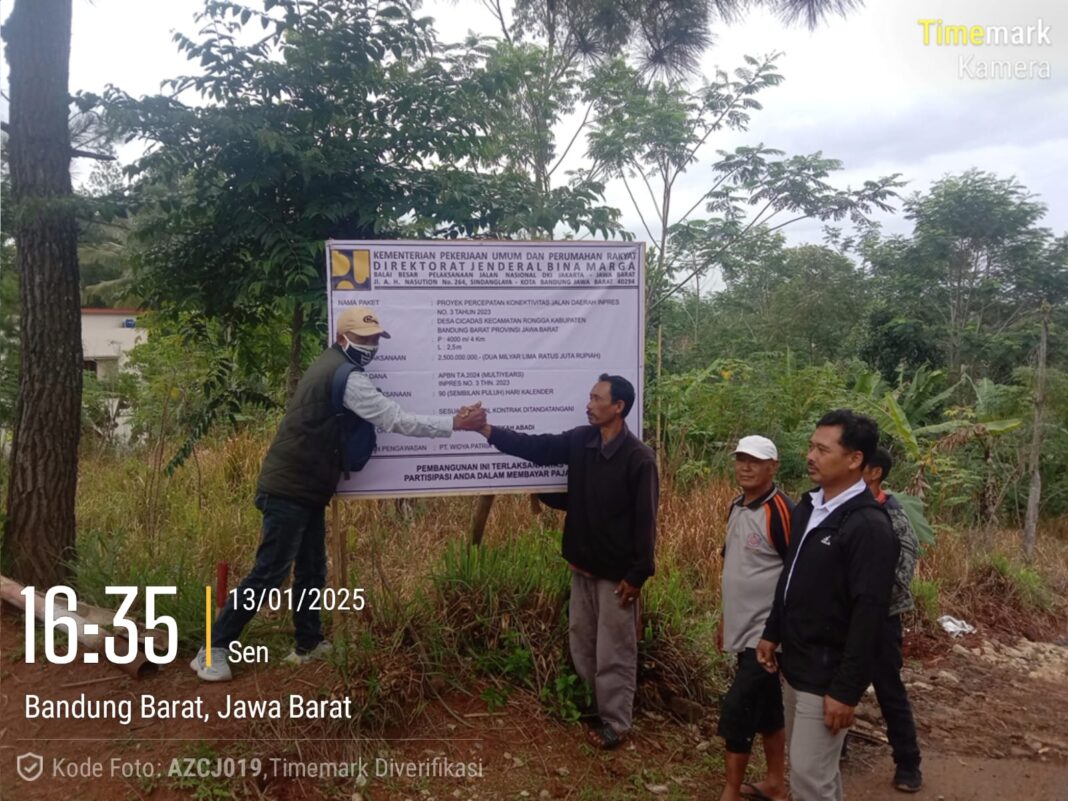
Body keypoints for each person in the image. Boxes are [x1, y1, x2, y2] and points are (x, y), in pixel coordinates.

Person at [191, 306, 487, 681]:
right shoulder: (347, 378)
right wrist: (455, 423)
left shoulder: (332, 366)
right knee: (269, 573)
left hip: (306, 487)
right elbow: (394, 418)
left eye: (376, 339)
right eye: (364, 339)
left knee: (312, 568)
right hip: (290, 487)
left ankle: (308, 643)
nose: (371, 346)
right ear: (343, 339)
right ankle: (212, 647)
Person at [477, 374, 658, 750]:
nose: (589, 404)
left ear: (618, 407)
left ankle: (616, 723)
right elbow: (537, 447)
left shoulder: (638, 459)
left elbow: (646, 521)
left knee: (615, 651)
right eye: (590, 398)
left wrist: (638, 574)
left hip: (616, 575)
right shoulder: (582, 441)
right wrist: (487, 430)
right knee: (583, 642)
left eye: (596, 399)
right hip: (582, 564)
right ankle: (593, 708)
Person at [756, 410, 898, 801]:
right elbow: (791, 576)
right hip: (797, 660)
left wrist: (847, 690)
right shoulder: (810, 507)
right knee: (814, 773)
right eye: (811, 446)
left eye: (823, 449)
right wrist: (772, 632)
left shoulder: (869, 527)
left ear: (855, 460)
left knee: (809, 778)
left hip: (828, 672)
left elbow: (870, 615)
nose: (811, 456)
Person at [717, 436, 793, 801]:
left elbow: (796, 574)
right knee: (767, 709)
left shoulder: (780, 511)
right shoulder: (737, 506)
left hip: (765, 637)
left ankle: (731, 791)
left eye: (755, 461)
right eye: (741, 460)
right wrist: (724, 620)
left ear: (773, 466)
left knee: (738, 709)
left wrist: (776, 632)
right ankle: (775, 784)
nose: (745, 467)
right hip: (741, 627)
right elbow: (733, 566)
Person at [860, 446, 923, 793]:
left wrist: (875, 599)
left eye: (862, 464)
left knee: (889, 689)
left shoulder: (892, 513)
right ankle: (833, 752)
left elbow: (906, 561)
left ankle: (908, 763)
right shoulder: (844, 507)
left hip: (883, 617)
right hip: (848, 616)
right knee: (838, 685)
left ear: (875, 473)